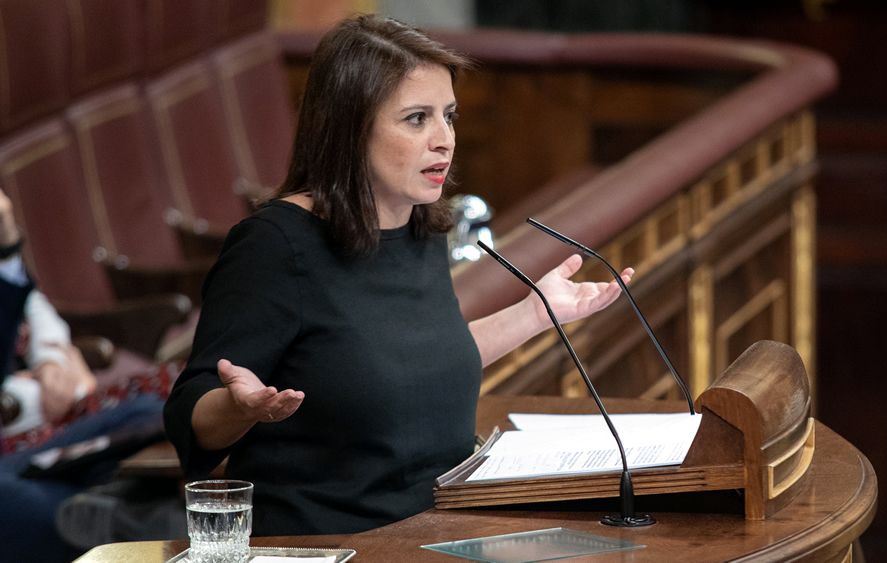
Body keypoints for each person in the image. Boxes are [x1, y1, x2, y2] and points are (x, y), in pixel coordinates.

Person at [164, 14, 635, 537]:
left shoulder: (420, 224)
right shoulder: (274, 246)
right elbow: (188, 415)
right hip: (331, 544)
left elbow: (418, 358)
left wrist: (534, 313)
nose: (444, 139)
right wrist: (240, 408)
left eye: (449, 116)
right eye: (416, 119)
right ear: (349, 128)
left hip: (438, 530)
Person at [0, 188, 167, 562]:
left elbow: (33, 305)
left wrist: (50, 359)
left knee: (149, 410)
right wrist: (28, 393)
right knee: (29, 503)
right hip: (16, 434)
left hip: (31, 439)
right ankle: (136, 523)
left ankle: (122, 510)